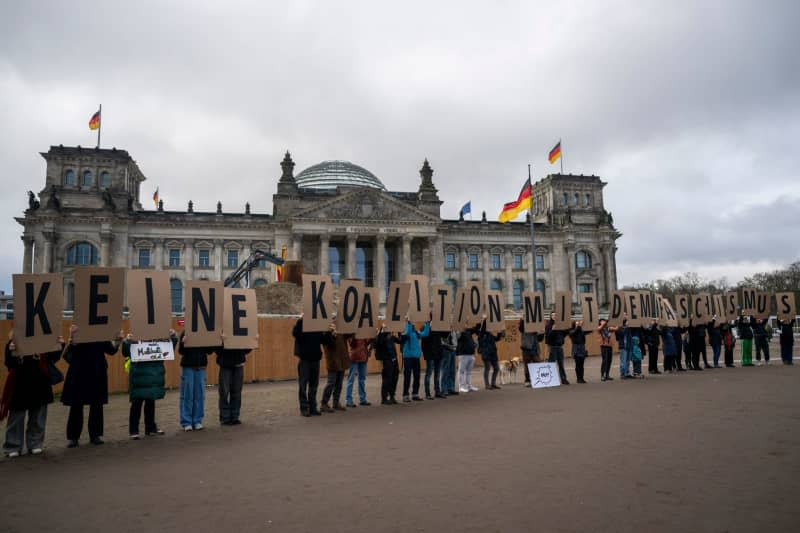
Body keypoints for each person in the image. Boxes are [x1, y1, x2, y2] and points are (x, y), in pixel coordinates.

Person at [2, 332, 64, 457]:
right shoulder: (14, 340)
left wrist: (59, 345)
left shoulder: (44, 338)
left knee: (38, 416)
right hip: (20, 382)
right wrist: (11, 351)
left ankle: (35, 443)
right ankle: (13, 446)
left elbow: (53, 358)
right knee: (16, 417)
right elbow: (9, 363)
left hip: (40, 381)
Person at [61, 325, 123, 447]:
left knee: (97, 404)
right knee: (76, 405)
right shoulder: (77, 329)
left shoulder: (101, 331)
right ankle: (73, 437)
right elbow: (68, 353)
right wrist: (72, 337)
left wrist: (118, 340)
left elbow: (110, 350)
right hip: (79, 371)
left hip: (97, 370)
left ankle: (95, 435)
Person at [122, 329, 178, 439]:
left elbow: (168, 348)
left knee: (148, 402)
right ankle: (139, 429)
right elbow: (126, 352)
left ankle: (145, 429)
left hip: (149, 374)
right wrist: (127, 341)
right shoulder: (135, 336)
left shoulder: (157, 335)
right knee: (139, 403)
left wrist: (173, 337)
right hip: (143, 374)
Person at [178, 331, 214, 431]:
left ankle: (197, 421)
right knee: (187, 395)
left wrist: (211, 340)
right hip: (188, 367)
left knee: (199, 395)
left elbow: (210, 351)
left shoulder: (206, 331)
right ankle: (187, 422)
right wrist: (182, 343)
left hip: (201, 367)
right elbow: (180, 351)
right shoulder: (185, 331)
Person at [216, 334, 253, 426]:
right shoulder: (221, 329)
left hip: (238, 363)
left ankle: (234, 416)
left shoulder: (240, 326)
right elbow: (216, 350)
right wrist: (221, 341)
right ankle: (225, 417)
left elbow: (246, 350)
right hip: (225, 364)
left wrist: (252, 341)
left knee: (236, 392)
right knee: (224, 392)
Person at [292, 315, 326, 417]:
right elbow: (295, 333)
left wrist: (328, 332)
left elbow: (323, 340)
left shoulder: (317, 325)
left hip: (315, 359)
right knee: (303, 385)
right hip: (305, 359)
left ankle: (312, 407)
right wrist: (300, 321)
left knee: (313, 385)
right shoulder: (302, 325)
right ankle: (304, 408)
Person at [320, 325, 350, 412]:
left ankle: (336, 402)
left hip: (341, 360)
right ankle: (324, 403)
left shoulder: (341, 331)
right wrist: (332, 333)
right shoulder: (326, 332)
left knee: (339, 384)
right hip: (333, 361)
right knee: (331, 383)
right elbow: (328, 344)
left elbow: (350, 334)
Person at [401, 319, 430, 402]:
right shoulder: (406, 331)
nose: (413, 325)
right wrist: (409, 323)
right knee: (407, 377)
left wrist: (427, 323)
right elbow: (406, 333)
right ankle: (405, 395)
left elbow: (425, 334)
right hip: (408, 357)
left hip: (416, 357)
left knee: (417, 376)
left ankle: (415, 394)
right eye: (411, 324)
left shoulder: (416, 333)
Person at [374, 324, 401, 405]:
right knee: (387, 379)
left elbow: (400, 341)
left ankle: (392, 396)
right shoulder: (382, 336)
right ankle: (384, 398)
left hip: (394, 360)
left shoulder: (391, 337)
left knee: (394, 378)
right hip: (387, 360)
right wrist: (382, 331)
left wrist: (401, 332)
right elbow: (379, 342)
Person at [478, 318, 504, 390]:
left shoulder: (490, 334)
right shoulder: (481, 334)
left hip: (493, 354)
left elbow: (497, 339)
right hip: (486, 353)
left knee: (496, 368)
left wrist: (499, 333)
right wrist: (486, 320)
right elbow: (483, 328)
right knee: (487, 368)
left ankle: (493, 383)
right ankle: (487, 385)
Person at [345, 335, 371, 407]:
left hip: (363, 356)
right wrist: (354, 336)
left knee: (362, 379)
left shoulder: (365, 331)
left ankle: (362, 399)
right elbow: (351, 344)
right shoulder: (352, 331)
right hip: (354, 357)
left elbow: (367, 343)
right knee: (351, 379)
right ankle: (348, 400)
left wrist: (371, 337)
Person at [422, 326, 446, 399]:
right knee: (428, 374)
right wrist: (426, 355)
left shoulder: (438, 327)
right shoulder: (425, 327)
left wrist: (447, 327)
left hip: (438, 354)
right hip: (430, 355)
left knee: (437, 374)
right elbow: (423, 344)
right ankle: (427, 393)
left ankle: (437, 391)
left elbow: (445, 335)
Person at [544, 312, 569, 385]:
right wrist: (553, 330)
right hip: (552, 347)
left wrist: (566, 329)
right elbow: (547, 337)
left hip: (560, 347)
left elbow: (564, 334)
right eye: (553, 315)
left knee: (561, 364)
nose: (554, 316)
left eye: (555, 315)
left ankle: (563, 379)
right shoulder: (549, 325)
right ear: (551, 316)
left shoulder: (560, 325)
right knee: (551, 364)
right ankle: (549, 379)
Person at [519, 318, 544, 386]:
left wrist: (542, 332)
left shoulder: (536, 326)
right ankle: (527, 380)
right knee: (527, 365)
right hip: (526, 348)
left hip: (535, 349)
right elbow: (521, 328)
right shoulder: (524, 326)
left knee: (538, 363)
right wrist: (523, 320)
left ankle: (537, 379)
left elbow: (540, 339)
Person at [456, 325, 480, 393]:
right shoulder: (459, 330)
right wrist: (460, 328)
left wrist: (482, 320)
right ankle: (461, 387)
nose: (466, 324)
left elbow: (476, 328)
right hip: (463, 354)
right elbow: (457, 337)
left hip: (471, 354)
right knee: (461, 371)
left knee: (469, 372)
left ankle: (469, 386)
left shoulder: (468, 330)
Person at [440, 329, 458, 395]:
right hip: (446, 349)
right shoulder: (444, 327)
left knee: (452, 370)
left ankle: (451, 388)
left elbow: (458, 337)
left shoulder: (454, 329)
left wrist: (458, 330)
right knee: (445, 370)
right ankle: (444, 389)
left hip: (453, 349)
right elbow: (444, 337)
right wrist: (449, 329)